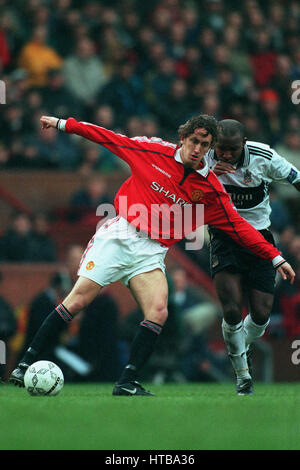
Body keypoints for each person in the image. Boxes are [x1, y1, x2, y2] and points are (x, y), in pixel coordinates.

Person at [10, 113, 295, 397]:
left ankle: (127, 381)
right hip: (119, 235)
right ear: (183, 138)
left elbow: (240, 227)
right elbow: (106, 136)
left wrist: (275, 257)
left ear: (210, 149)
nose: (197, 149)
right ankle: (24, 364)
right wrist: (63, 124)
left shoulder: (211, 189)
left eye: (205, 145)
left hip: (151, 251)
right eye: (194, 141)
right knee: (78, 299)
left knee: (158, 310)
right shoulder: (151, 150)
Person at [205, 119, 300, 394]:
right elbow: (179, 179)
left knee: (260, 314)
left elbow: (295, 178)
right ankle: (243, 377)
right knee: (232, 310)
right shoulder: (205, 157)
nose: (224, 154)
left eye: (231, 149)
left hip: (259, 239)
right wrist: (207, 170)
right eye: (220, 148)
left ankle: (240, 346)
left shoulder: (264, 156)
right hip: (224, 236)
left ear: (243, 144)